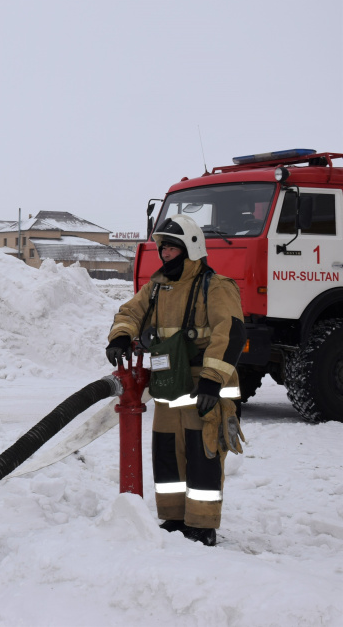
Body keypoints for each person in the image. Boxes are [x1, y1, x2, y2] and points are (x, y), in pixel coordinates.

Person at [104, 214, 245, 547]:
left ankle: (202, 525)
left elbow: (231, 333)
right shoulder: (157, 288)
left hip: (203, 387)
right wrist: (121, 336)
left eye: (171, 248)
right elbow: (130, 312)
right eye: (162, 248)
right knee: (168, 453)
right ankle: (174, 518)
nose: (164, 254)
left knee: (203, 454)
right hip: (170, 387)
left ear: (190, 248)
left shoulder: (216, 286)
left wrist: (212, 382)